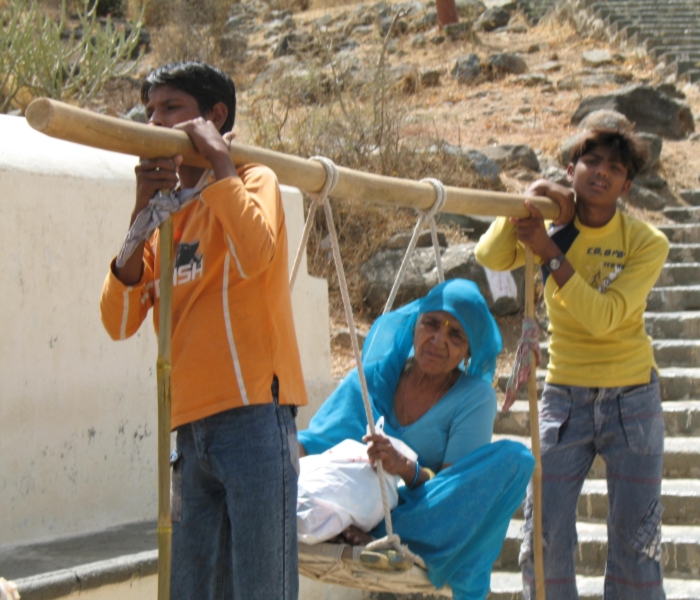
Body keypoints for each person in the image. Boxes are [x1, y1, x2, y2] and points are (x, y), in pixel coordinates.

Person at [99, 62, 307, 599]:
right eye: (151, 111)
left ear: (215, 116)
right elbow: (118, 321)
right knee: (190, 588)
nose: (155, 121)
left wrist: (218, 163)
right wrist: (140, 211)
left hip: (255, 422)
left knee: (264, 588)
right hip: (189, 436)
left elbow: (256, 252)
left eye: (171, 109)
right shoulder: (164, 222)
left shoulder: (254, 180)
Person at [475, 126, 670, 600]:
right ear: (571, 170)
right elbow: (490, 255)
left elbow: (603, 318)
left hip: (633, 401)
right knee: (542, 537)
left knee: (636, 545)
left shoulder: (646, 242)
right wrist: (533, 198)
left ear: (627, 187)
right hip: (563, 400)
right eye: (592, 161)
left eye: (615, 168)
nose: (601, 172)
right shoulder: (550, 223)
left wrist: (549, 252)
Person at [298, 279, 534, 600]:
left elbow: (456, 487)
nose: (438, 340)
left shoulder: (473, 397)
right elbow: (312, 443)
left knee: (517, 459)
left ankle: (379, 535)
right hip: (354, 503)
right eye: (431, 324)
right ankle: (351, 526)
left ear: (468, 351)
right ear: (414, 328)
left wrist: (406, 468)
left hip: (420, 518)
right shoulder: (373, 380)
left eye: (456, 335)